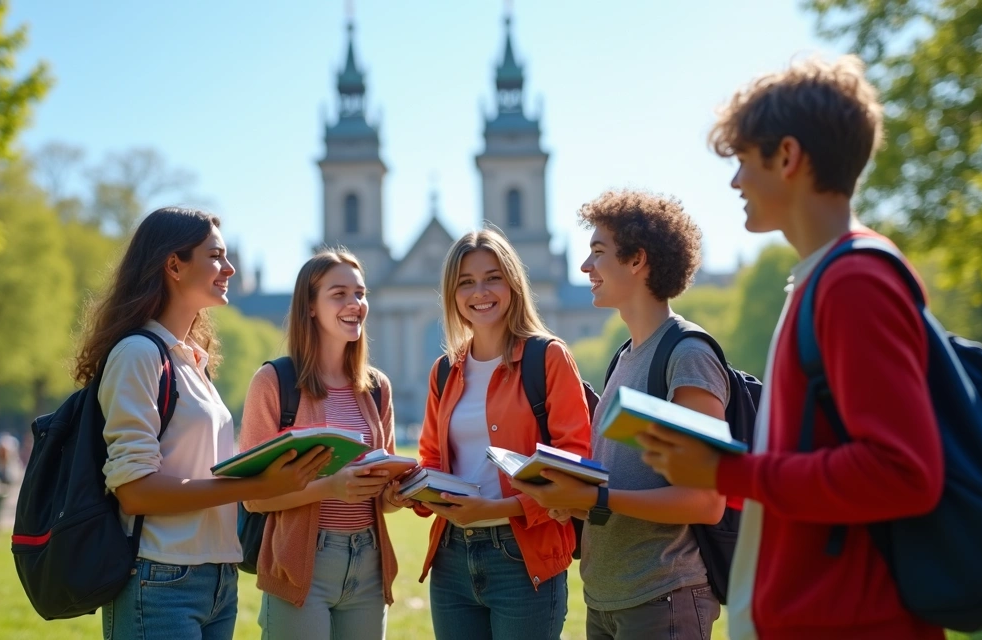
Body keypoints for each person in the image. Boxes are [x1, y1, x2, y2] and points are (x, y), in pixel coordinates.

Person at [636, 56, 945, 639]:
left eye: (743, 163)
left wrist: (729, 471)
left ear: (788, 157)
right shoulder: (821, 278)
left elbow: (904, 472)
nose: (734, 183)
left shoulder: (853, 282)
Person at [76, 206, 333, 640]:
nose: (229, 268)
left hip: (216, 579)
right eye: (215, 256)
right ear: (174, 265)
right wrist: (261, 485)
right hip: (159, 578)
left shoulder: (193, 361)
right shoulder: (138, 354)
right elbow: (135, 491)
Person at [511, 189, 728, 639]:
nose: (585, 268)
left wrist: (597, 500)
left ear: (636, 261)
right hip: (608, 600)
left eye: (597, 253)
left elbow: (707, 501)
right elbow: (625, 479)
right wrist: (571, 497)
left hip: (661, 596)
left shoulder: (687, 354)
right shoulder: (624, 358)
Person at [388, 228, 592, 640]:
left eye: (492, 277)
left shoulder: (548, 357)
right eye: (466, 282)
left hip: (524, 557)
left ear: (513, 283)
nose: (480, 291)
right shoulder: (444, 371)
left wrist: (498, 509)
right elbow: (431, 459)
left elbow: (574, 462)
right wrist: (409, 491)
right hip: (451, 560)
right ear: (452, 293)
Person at [241, 250, 400, 640]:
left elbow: (382, 498)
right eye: (339, 294)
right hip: (301, 562)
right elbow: (252, 498)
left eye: (360, 294)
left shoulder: (377, 388)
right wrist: (330, 487)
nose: (355, 304)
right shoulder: (274, 382)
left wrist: (398, 493)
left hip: (369, 563)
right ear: (310, 306)